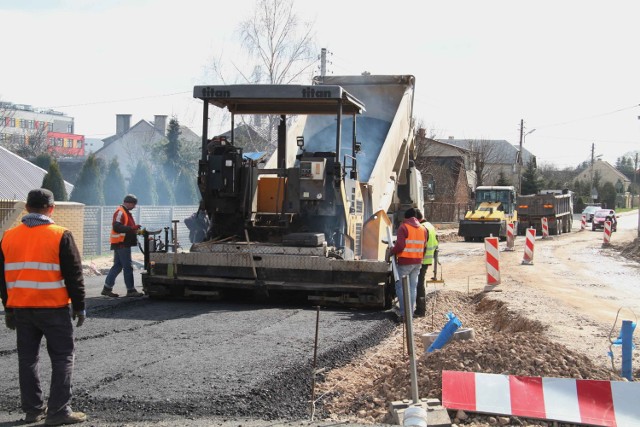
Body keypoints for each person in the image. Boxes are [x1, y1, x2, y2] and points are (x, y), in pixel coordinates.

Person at [0, 188, 87, 425]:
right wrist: (80, 306)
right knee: (62, 357)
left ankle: (33, 410)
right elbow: (74, 275)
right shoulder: (60, 234)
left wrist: (8, 308)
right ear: (51, 208)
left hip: (22, 309)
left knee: (27, 360)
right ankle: (58, 411)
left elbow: (2, 277)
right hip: (54, 308)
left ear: (27, 208)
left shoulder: (8, 236)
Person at [102, 194, 144, 298]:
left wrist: (137, 231)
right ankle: (131, 290)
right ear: (128, 203)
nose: (134, 207)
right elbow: (117, 227)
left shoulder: (125, 212)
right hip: (122, 243)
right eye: (134, 204)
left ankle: (107, 288)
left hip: (121, 243)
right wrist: (132, 228)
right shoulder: (120, 212)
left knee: (117, 266)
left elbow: (128, 227)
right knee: (127, 267)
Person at [390, 207, 427, 322]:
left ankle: (404, 314)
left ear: (406, 217)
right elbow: (423, 247)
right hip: (417, 262)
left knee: (400, 287)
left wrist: (392, 249)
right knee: (412, 287)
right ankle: (410, 312)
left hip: (405, 262)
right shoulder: (423, 229)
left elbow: (400, 246)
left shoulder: (404, 227)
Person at [415, 209, 438, 317]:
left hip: (422, 260)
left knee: (419, 285)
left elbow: (422, 245)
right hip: (427, 260)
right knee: (420, 284)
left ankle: (420, 310)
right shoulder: (430, 226)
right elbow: (436, 243)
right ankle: (420, 308)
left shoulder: (423, 228)